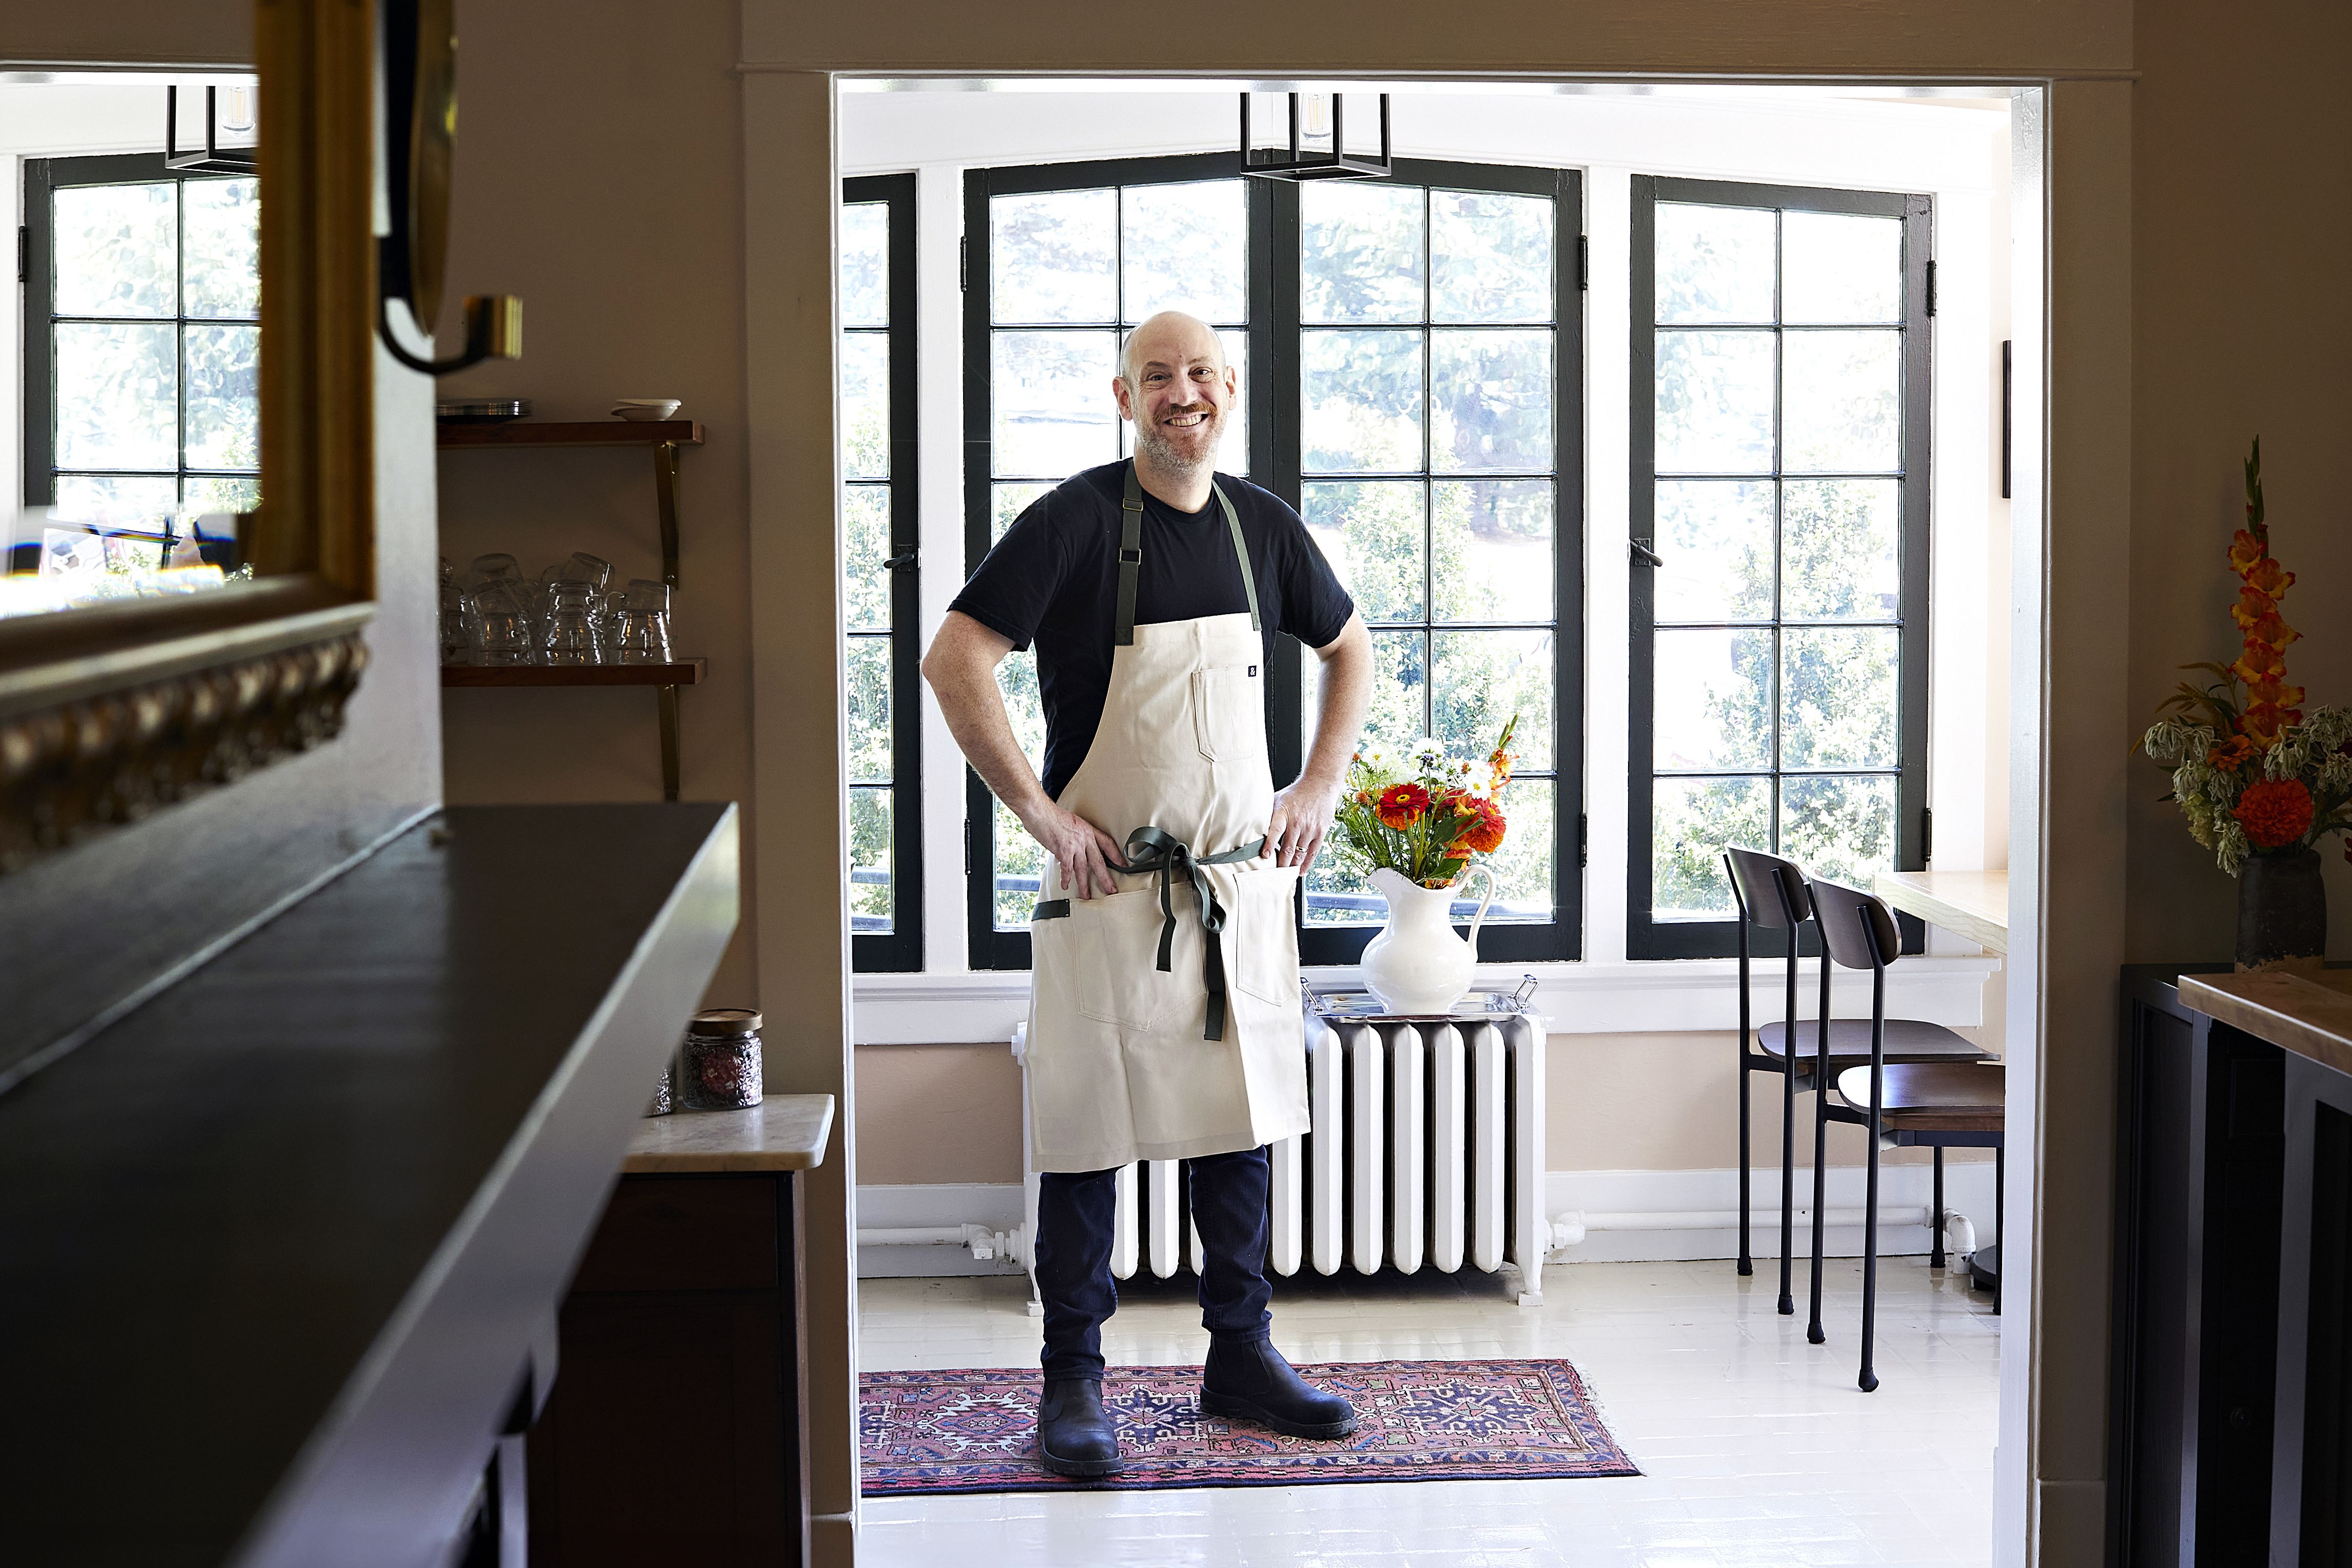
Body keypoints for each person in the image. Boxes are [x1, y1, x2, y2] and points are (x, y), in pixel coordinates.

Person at [922, 309, 1374, 1477]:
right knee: (1083, 1138)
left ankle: (1242, 1355)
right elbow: (954, 658)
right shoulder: (1072, 521)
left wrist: (1318, 781)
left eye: (1203, 374)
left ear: (1230, 387)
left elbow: (1351, 646)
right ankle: (1071, 1380)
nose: (1185, 393)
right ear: (1123, 397)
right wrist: (1038, 813)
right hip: (1113, 890)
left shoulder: (1260, 527)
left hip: (1235, 890)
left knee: (1243, 1129)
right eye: (1157, 376)